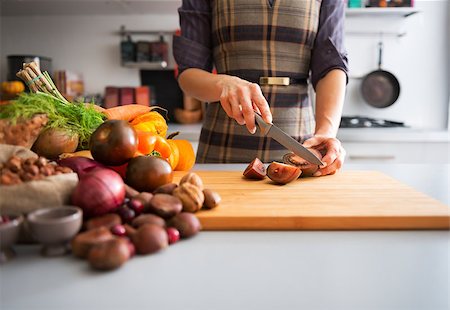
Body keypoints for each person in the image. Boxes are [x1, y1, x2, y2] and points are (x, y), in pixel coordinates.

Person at [173, 0, 348, 176]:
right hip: (221, 151)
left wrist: (326, 132)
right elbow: (188, 73)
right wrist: (222, 83)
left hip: (302, 145)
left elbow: (331, 64)